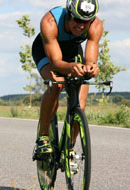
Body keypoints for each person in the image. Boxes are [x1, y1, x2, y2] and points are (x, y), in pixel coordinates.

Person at [32, 0, 103, 155]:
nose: (82, 26)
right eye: (77, 20)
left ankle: (69, 147)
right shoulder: (50, 21)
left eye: (86, 22)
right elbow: (56, 62)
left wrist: (91, 67)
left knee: (80, 105)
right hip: (47, 52)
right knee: (56, 85)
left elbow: (90, 59)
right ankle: (43, 137)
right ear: (69, 14)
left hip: (72, 52)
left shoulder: (96, 25)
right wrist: (71, 67)